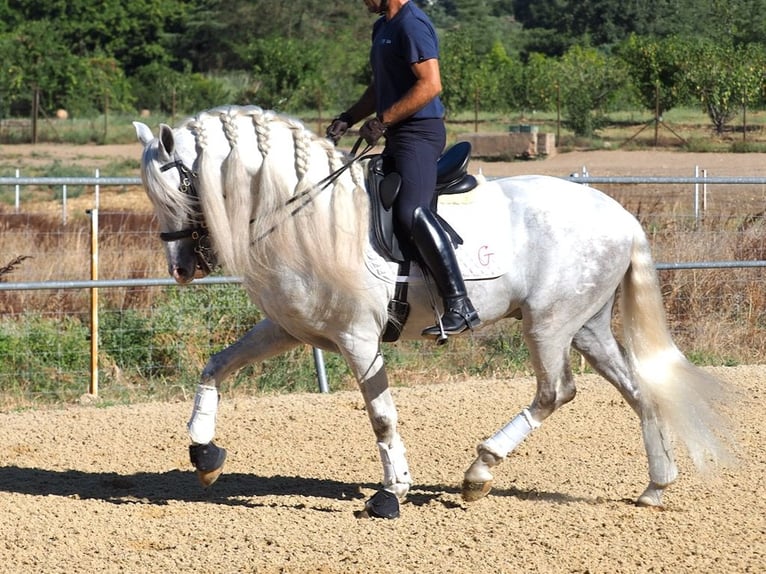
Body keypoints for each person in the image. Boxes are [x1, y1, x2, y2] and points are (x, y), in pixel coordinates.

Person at [326, 0, 480, 338]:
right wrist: (349, 117)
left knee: (411, 212)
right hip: (397, 133)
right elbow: (380, 88)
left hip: (420, 135)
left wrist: (382, 121)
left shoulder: (412, 24)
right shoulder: (382, 27)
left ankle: (459, 303)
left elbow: (430, 84)